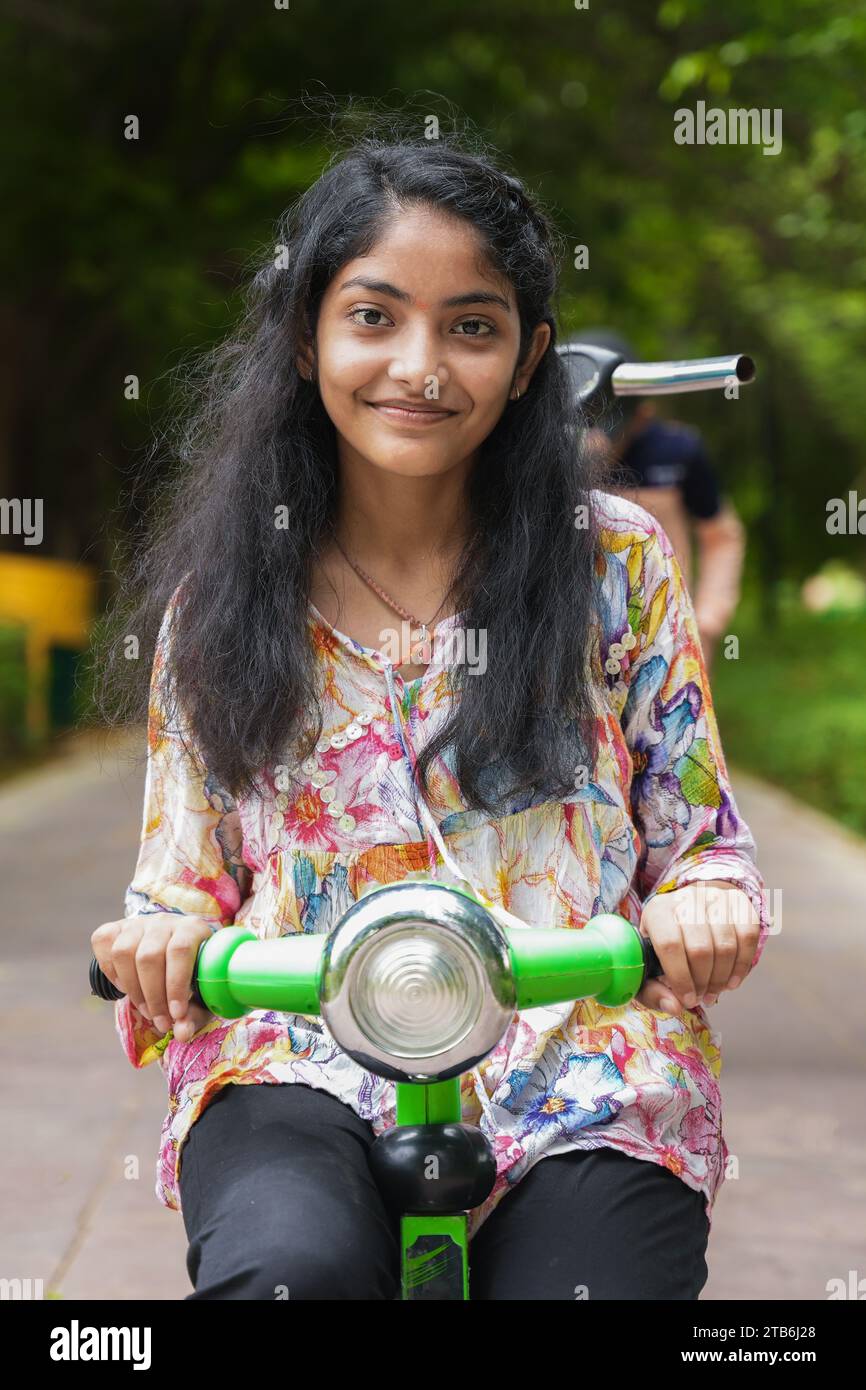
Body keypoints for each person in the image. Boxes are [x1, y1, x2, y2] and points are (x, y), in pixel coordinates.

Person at [91, 133, 769, 1301]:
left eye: (470, 325)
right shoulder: (222, 595)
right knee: (287, 1273)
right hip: (294, 1057)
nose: (419, 365)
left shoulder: (614, 561)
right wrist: (155, 940)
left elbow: (698, 841)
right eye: (372, 316)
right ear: (304, 339)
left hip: (585, 1059)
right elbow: (179, 879)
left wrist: (703, 906)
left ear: (526, 359)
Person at [563, 331, 746, 675]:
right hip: (575, 638)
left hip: (668, 633)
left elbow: (721, 536)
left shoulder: (678, 450)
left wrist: (708, 618)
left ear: (643, 415)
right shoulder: (541, 453)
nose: (594, 439)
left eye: (604, 424)